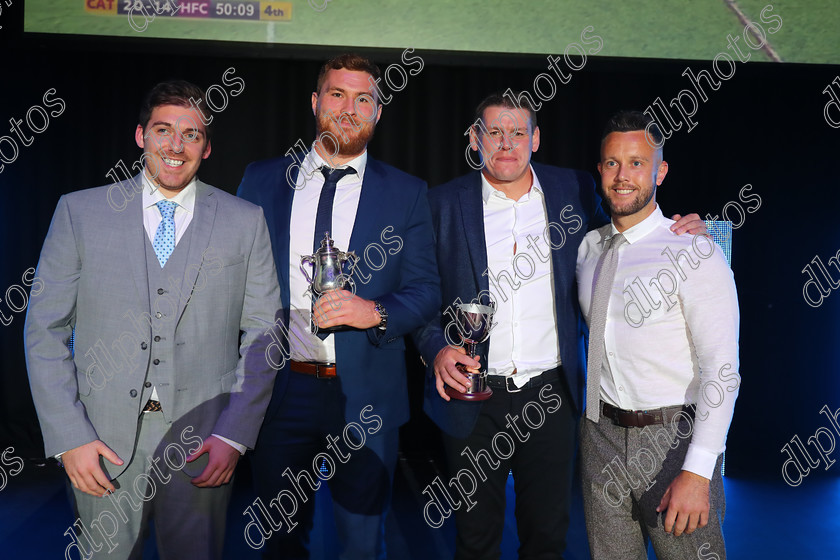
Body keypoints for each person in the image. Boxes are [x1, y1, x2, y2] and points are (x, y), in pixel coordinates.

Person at [414, 93, 708, 559]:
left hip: (550, 398)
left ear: (535, 139)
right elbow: (420, 292)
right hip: (470, 396)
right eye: (494, 131)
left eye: (517, 133)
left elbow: (624, 233)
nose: (506, 143)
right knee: (474, 539)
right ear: (475, 140)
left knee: (548, 536)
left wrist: (678, 226)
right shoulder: (440, 203)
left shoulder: (572, 189)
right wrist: (437, 348)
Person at [24, 80, 282, 559]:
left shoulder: (245, 220)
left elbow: (265, 334)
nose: (176, 145)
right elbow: (44, 331)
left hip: (203, 442)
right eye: (164, 130)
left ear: (207, 147)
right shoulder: (79, 212)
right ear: (141, 136)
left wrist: (234, 433)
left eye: (192, 134)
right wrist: (70, 437)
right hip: (99, 442)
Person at [237, 54, 439, 559]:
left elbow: (426, 289)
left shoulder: (407, 193)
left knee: (361, 543)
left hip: (367, 397)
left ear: (377, 112)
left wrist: (375, 312)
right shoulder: (261, 181)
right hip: (279, 392)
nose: (349, 109)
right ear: (315, 102)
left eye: (363, 98)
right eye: (337, 95)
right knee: (277, 544)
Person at [576, 110, 739, 559]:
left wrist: (699, 471)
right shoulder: (588, 248)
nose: (622, 175)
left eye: (636, 162)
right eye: (612, 163)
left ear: (660, 171)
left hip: (674, 440)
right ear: (600, 169)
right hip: (600, 435)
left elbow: (722, 371)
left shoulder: (695, 250)